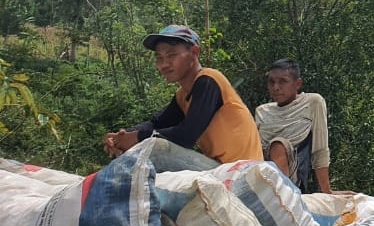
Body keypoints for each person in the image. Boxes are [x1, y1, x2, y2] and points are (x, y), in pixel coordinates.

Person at [104, 25, 263, 164]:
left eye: (172, 55)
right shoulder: (183, 95)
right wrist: (121, 137)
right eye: (159, 58)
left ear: (194, 52)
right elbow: (157, 123)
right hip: (220, 169)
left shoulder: (208, 80)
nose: (164, 64)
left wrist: (138, 137)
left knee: (154, 152)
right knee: (145, 148)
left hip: (242, 170)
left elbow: (186, 135)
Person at [253, 59, 331, 192]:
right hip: (262, 170)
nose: (276, 87)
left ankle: (283, 195)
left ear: (298, 84)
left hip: (293, 175)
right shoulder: (261, 111)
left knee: (278, 145)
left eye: (282, 81)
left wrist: (327, 191)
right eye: (271, 82)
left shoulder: (312, 102)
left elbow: (320, 150)